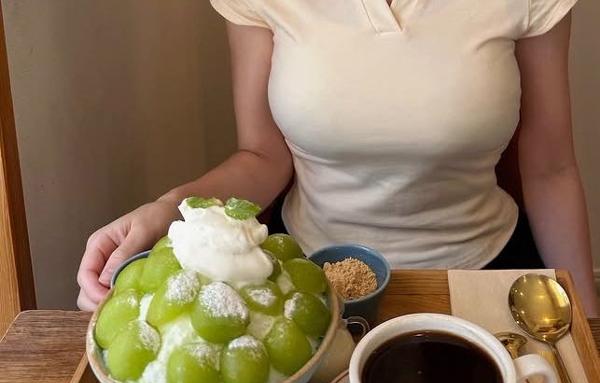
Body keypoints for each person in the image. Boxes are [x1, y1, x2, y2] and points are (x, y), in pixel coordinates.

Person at [77, 0, 600, 316]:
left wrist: (588, 323)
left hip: (486, 273)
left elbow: (551, 169)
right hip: (307, 275)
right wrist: (170, 209)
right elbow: (262, 156)